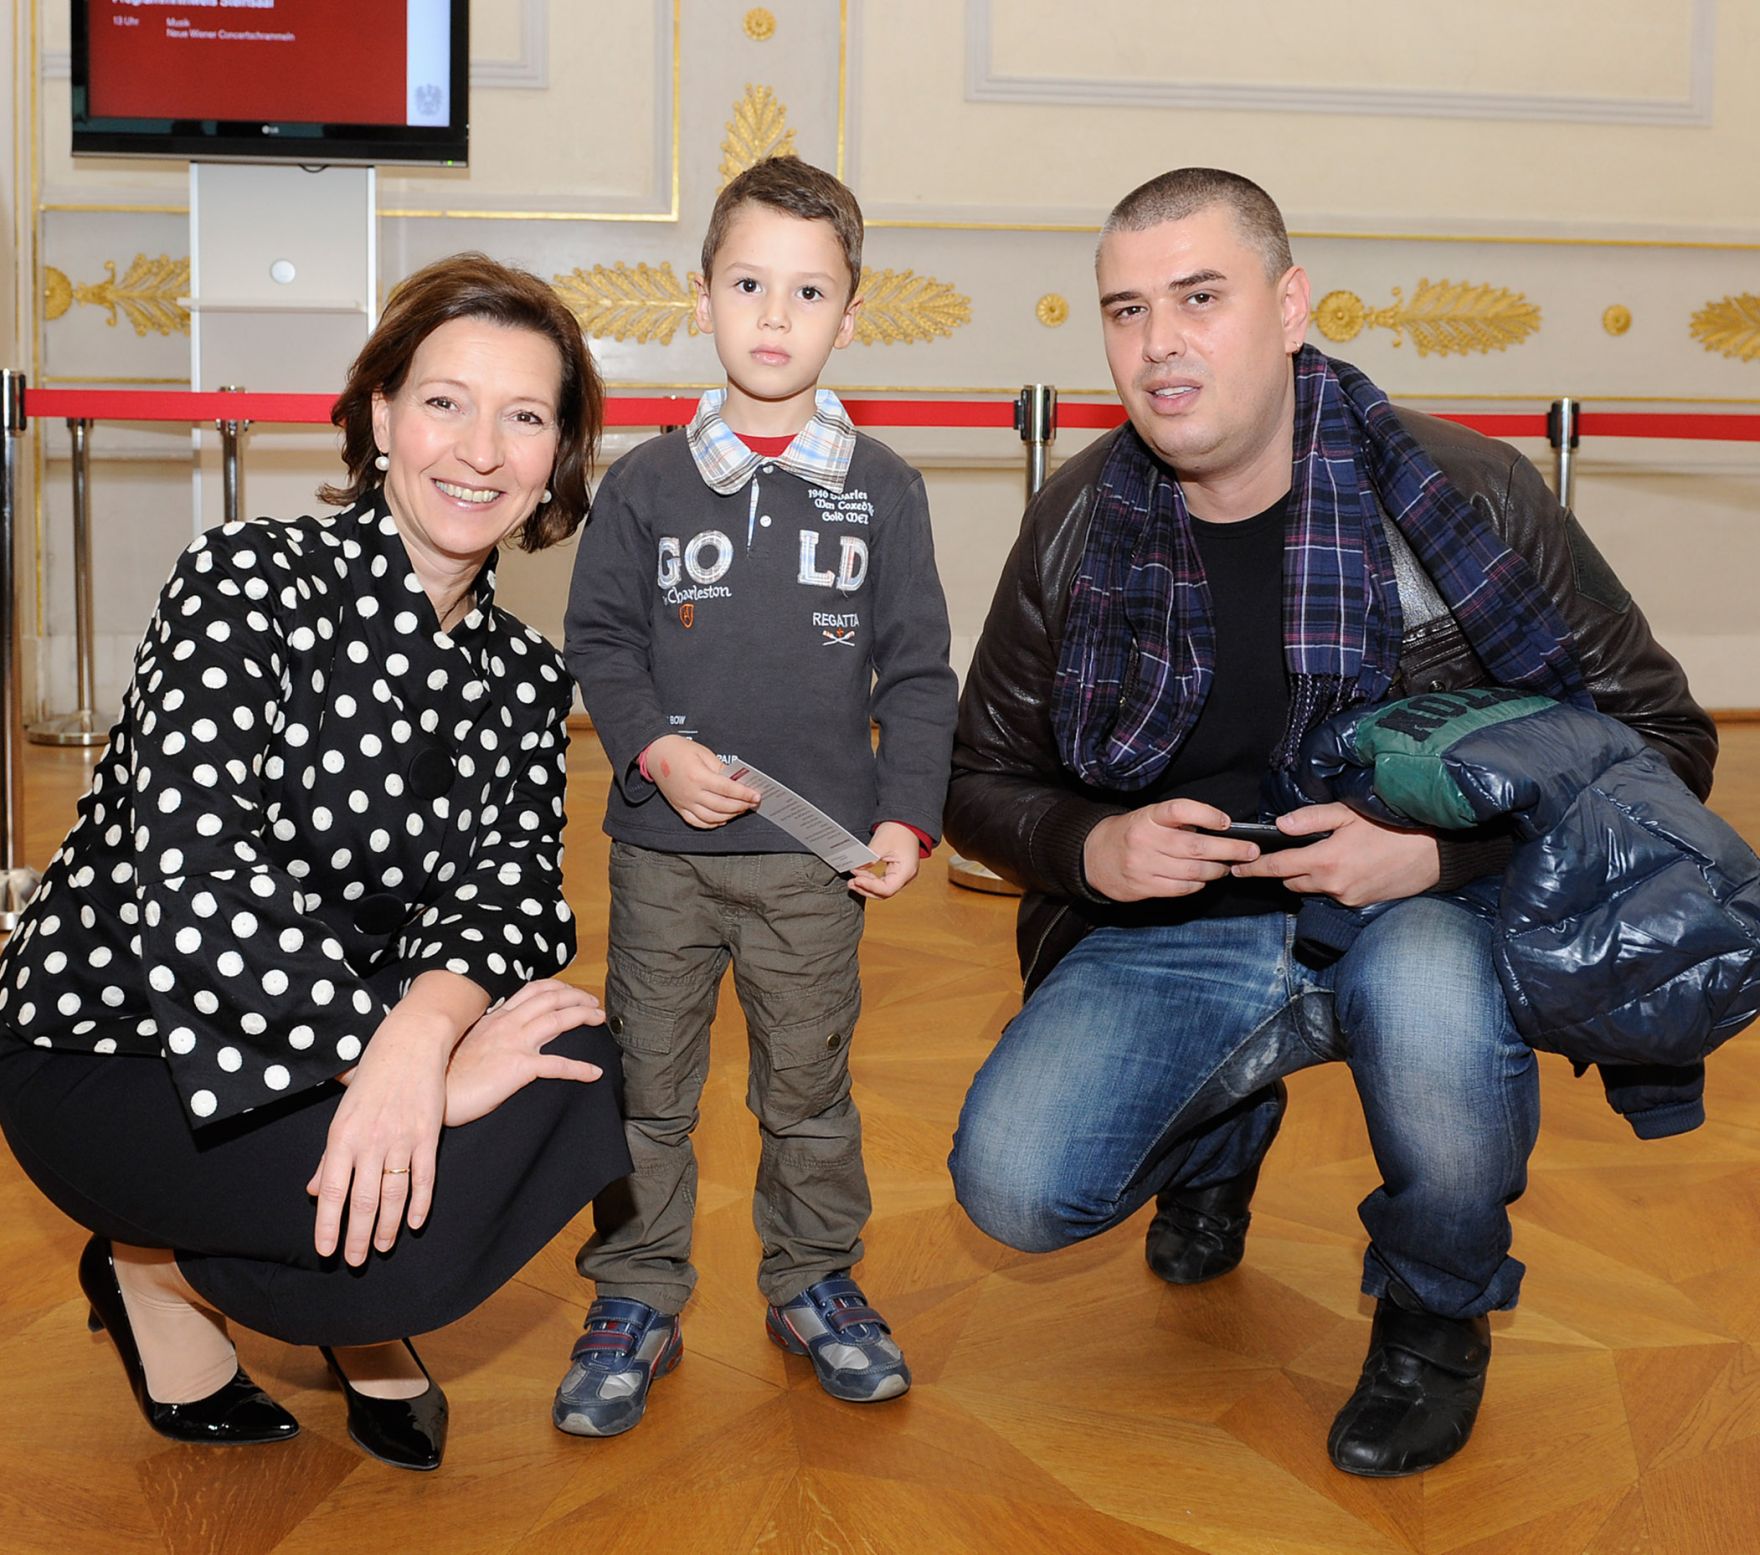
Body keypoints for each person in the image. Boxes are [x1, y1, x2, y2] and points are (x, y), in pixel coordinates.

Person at [944, 168, 1716, 1477]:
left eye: (1200, 296)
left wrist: (1443, 849)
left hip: (1418, 911)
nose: (1158, 343)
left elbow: (1664, 738)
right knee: (1015, 1185)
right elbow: (978, 779)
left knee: (1425, 999)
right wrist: (1093, 847)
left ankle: (1436, 1306)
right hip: (1180, 926)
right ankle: (1220, 1135)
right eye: (1125, 310)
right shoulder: (1083, 520)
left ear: (1291, 305)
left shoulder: (1459, 495)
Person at [0, 253, 631, 1472]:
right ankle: (156, 1268)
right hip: (118, 1053)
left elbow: (511, 895)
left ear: (556, 458)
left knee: (571, 1067)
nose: (481, 450)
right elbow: (198, 879)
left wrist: (424, 1037)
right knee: (420, 1211)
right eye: (445, 401)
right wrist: (393, 1071)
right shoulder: (243, 580)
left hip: (352, 1053)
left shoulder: (524, 677)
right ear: (381, 416)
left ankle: (222, 1268)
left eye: (525, 416)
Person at [557, 156, 959, 1437]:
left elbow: (921, 670)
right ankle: (635, 1293)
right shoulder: (644, 484)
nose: (773, 316)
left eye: (806, 291)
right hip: (661, 858)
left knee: (805, 1092)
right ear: (702, 297)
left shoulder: (884, 490)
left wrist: (904, 815)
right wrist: (652, 748)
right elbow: (603, 644)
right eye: (747, 284)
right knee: (649, 1091)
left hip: (810, 867)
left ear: (848, 314)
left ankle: (813, 1278)